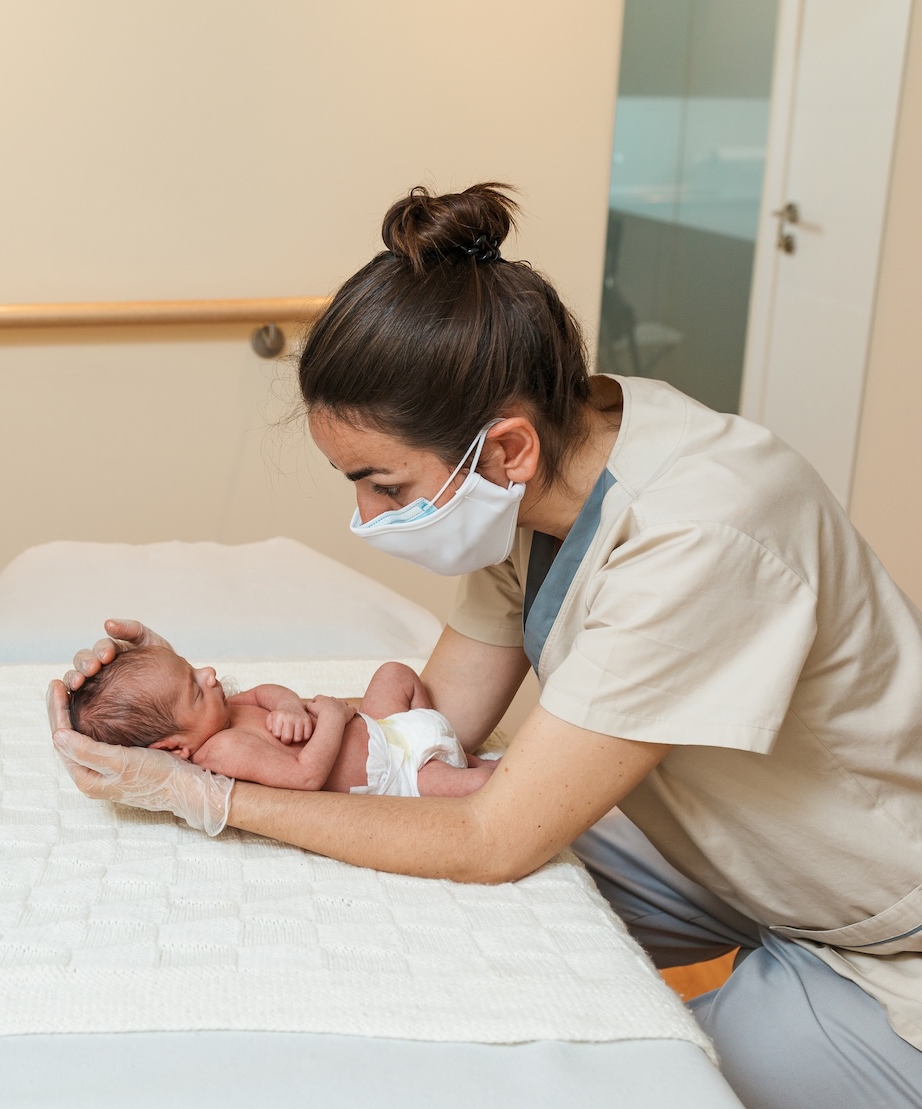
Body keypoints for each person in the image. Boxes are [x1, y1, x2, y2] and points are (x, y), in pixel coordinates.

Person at [47, 184, 922, 1109]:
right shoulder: (547, 481)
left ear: (505, 451)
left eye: (385, 486)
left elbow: (490, 836)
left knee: (634, 1080)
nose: (366, 516)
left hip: (890, 940)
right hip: (734, 855)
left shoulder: (696, 538)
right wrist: (180, 703)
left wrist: (209, 795)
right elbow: (436, 723)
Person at [67, 645, 494, 796]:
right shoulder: (223, 750)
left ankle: (455, 750)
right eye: (195, 688)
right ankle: (465, 769)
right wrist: (331, 717)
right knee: (480, 786)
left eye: (193, 668)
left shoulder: (223, 711)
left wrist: (289, 706)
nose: (209, 674)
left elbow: (265, 692)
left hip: (382, 727)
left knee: (394, 674)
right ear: (175, 748)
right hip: (396, 775)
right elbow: (306, 776)